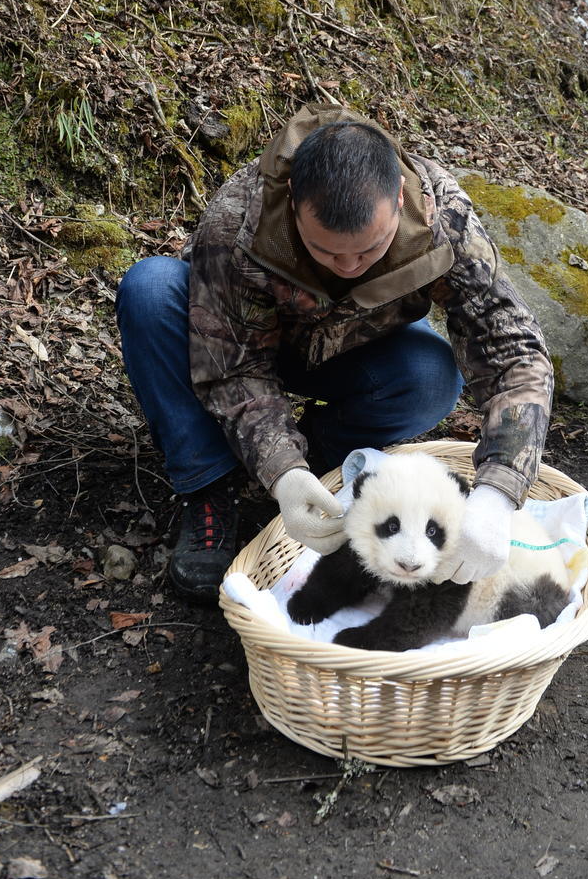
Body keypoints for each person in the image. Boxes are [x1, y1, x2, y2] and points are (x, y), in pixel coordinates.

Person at [116, 103, 555, 601]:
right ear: (295, 204)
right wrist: (282, 470)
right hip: (249, 348)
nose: (348, 266)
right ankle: (209, 485)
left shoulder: (441, 216)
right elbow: (232, 365)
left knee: (432, 375)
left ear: (398, 200)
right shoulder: (241, 217)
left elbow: (513, 351)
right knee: (151, 291)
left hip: (352, 356)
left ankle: (322, 465)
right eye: (326, 251)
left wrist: (498, 492)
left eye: (370, 250)